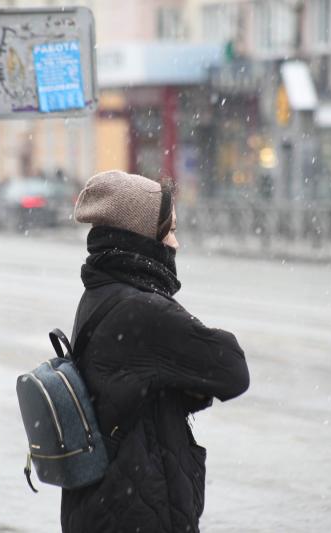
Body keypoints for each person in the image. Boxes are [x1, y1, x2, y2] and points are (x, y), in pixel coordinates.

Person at [61, 170, 250, 533]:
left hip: (102, 503)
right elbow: (232, 370)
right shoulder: (143, 309)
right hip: (135, 511)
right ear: (142, 237)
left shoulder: (102, 292)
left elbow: (132, 386)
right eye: (170, 230)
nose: (175, 243)